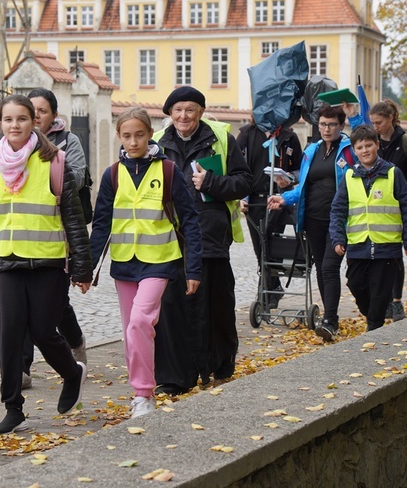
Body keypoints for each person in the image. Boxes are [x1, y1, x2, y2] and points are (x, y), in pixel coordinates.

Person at [0, 94, 92, 435]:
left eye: (22, 119)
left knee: (42, 331)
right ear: (1, 123)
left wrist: (82, 268)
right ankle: (13, 407)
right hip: (8, 263)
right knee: (8, 338)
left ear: (34, 123)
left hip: (49, 263)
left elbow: (73, 217)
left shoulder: (55, 162)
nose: (15, 125)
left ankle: (72, 373)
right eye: (8, 119)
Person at [89, 107, 202, 417]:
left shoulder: (167, 170)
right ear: (119, 137)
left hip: (159, 261)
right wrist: (86, 268)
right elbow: (101, 224)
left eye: (139, 135)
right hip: (125, 263)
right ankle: (141, 390)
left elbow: (190, 220)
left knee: (141, 322)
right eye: (127, 136)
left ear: (150, 134)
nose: (133, 141)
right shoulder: (112, 174)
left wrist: (193, 269)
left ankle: (143, 393)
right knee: (131, 330)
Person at [152, 86, 251, 394]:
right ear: (169, 113)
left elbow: (245, 181)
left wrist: (212, 182)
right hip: (170, 237)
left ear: (201, 113)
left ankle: (217, 368)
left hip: (210, 237)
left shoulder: (221, 141)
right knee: (172, 308)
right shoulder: (156, 144)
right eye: (178, 110)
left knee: (215, 307)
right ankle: (174, 378)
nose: (184, 116)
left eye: (191, 110)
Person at [268, 105, 357, 342]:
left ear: (341, 125)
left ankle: (330, 320)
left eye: (332, 125)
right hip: (312, 219)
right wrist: (283, 197)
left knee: (329, 267)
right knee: (320, 267)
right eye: (323, 124)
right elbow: (304, 188)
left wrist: (356, 115)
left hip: (338, 219)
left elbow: (369, 142)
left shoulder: (349, 150)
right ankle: (329, 318)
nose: (326, 129)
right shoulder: (311, 151)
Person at [19, 87, 88, 390]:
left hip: (58, 232)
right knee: (21, 304)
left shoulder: (68, 142)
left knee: (55, 303)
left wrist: (42, 172)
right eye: (30, 111)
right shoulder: (11, 145)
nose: (35, 117)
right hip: (21, 234)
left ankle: (75, 340)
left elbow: (77, 176)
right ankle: (22, 368)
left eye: (42, 112)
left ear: (53, 116)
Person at [329, 125, 407, 332]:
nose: (365, 150)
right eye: (360, 147)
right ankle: (374, 314)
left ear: (377, 145)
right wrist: (338, 238)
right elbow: (338, 210)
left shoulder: (393, 173)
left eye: (369, 145)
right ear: (354, 150)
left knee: (379, 292)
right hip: (358, 245)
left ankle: (374, 329)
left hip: (387, 246)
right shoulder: (350, 176)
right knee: (356, 285)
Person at [346, 99, 407, 322]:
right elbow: (359, 141)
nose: (376, 127)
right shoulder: (371, 142)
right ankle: (379, 307)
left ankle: (395, 301)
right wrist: (352, 115)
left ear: (390, 118)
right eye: (373, 123)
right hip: (372, 211)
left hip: (398, 206)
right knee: (367, 275)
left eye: (379, 122)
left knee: (392, 260)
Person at [237, 119, 302, 308]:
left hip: (277, 200)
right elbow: (239, 169)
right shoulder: (247, 134)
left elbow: (298, 169)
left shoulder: (289, 136)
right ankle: (272, 288)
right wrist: (243, 197)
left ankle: (264, 295)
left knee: (269, 244)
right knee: (260, 248)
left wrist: (289, 179)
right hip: (254, 200)